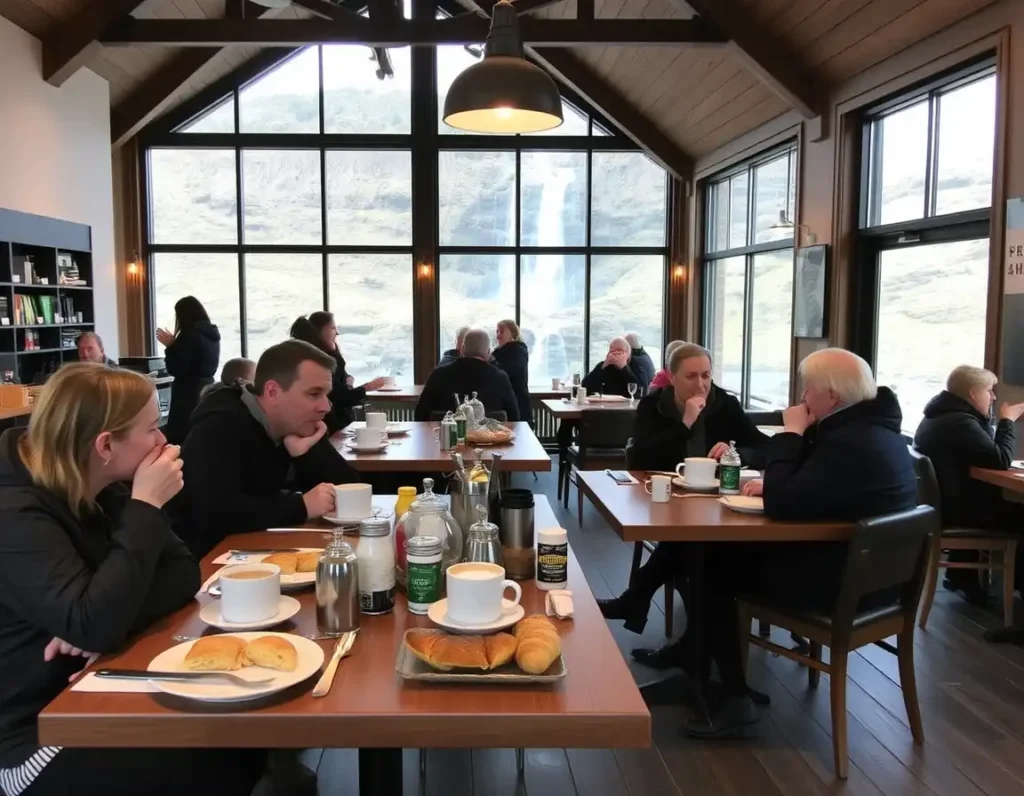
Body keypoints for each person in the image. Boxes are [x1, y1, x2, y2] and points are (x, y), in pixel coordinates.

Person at [0, 363, 264, 795]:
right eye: (152, 428)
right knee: (211, 756)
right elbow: (94, 621)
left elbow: (182, 573)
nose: (163, 440)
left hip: (98, 684)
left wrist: (104, 623)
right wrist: (146, 506)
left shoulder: (98, 482)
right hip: (36, 734)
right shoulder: (14, 513)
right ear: (105, 444)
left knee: (238, 736)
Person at [600, 343, 769, 647]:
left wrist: (738, 453)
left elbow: (763, 448)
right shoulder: (654, 405)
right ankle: (693, 648)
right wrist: (685, 424)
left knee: (694, 548)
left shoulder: (725, 404)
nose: (701, 384)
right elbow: (640, 458)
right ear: (671, 376)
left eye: (706, 375)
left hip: (720, 504)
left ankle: (640, 600)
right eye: (692, 376)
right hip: (671, 500)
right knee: (692, 546)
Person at [170, 340, 359, 558]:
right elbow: (215, 513)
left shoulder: (294, 423)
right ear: (272, 392)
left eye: (326, 394)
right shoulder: (219, 426)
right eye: (314, 394)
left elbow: (351, 492)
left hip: (258, 554)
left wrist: (307, 452)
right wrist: (301, 506)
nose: (326, 406)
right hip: (206, 566)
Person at [913, 365, 1024, 599]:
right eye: (989, 391)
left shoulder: (939, 415)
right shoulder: (960, 422)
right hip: (959, 512)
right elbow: (1001, 459)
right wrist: (1007, 421)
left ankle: (961, 576)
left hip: (942, 508)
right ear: (973, 394)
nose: (993, 397)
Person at [291, 314, 386, 434]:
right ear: (320, 332)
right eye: (332, 328)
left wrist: (349, 384)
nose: (337, 333)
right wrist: (368, 387)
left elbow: (342, 388)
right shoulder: (319, 364)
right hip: (330, 428)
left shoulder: (329, 358)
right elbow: (340, 397)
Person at [415, 329, 520, 421]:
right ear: (488, 352)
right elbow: (514, 418)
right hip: (489, 437)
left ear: (462, 349)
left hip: (445, 437)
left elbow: (420, 415)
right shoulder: (500, 378)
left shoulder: (439, 374)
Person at [156, 296, 220, 445]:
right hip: (206, 387)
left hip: (187, 393)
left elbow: (176, 367)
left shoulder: (188, 334)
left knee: (182, 437)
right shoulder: (212, 334)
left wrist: (171, 347)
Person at [491, 319, 531, 424]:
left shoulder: (518, 352)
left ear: (512, 333)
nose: (498, 336)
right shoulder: (500, 353)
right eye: (497, 331)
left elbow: (503, 373)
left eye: (501, 331)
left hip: (517, 406)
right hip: (507, 405)